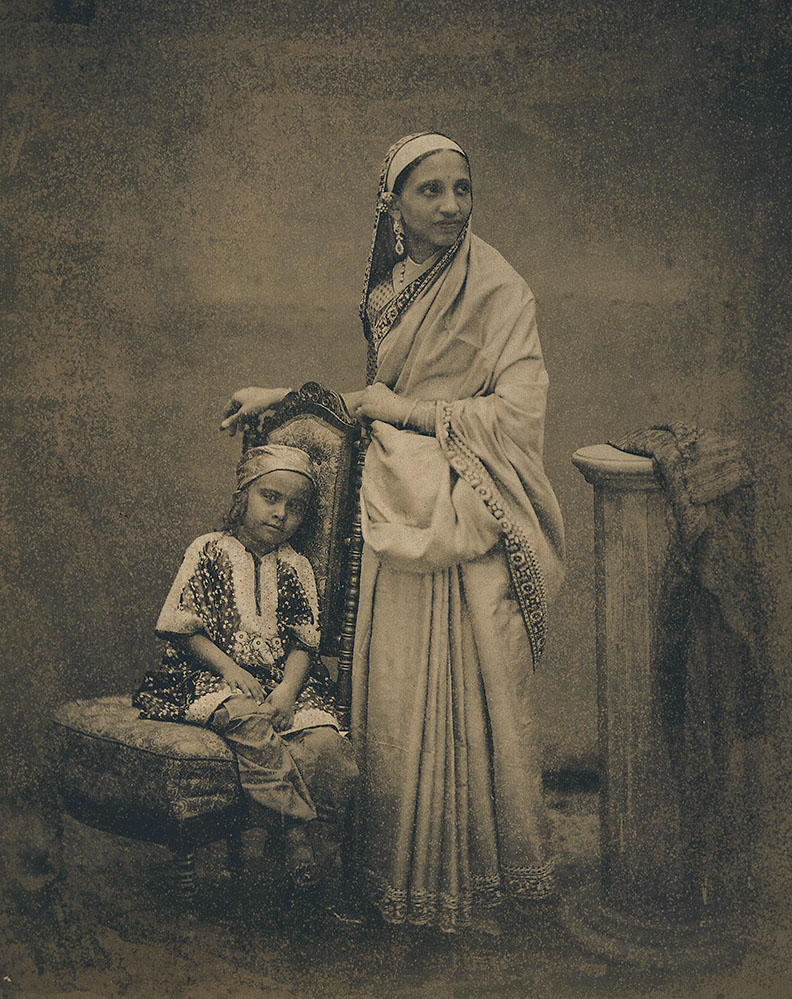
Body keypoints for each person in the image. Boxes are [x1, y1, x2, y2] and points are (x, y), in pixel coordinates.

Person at [221, 133, 565, 932]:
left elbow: (517, 413)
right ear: (393, 205)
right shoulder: (396, 280)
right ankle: (393, 879)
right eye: (430, 191)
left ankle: (467, 885)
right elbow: (372, 397)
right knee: (398, 696)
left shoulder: (500, 287)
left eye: (462, 189)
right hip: (392, 503)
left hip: (456, 513)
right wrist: (285, 394)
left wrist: (411, 415)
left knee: (465, 700)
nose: (451, 205)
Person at [133, 444, 359, 888]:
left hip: (280, 680)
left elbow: (303, 641)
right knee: (249, 721)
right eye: (270, 497)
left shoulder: (296, 567)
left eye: (294, 507)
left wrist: (288, 693)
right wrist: (230, 671)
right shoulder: (209, 550)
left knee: (326, 742)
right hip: (210, 674)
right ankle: (295, 832)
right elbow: (184, 628)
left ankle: (320, 851)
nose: (280, 514)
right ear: (243, 496)